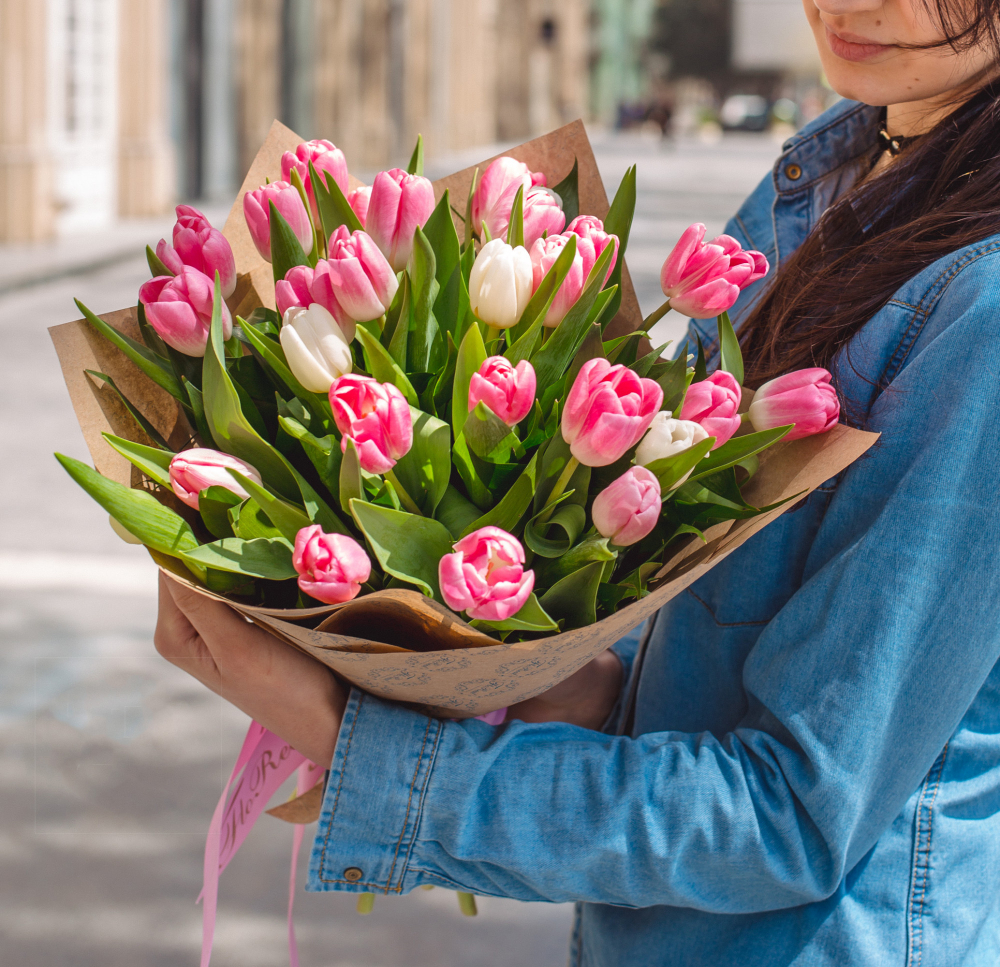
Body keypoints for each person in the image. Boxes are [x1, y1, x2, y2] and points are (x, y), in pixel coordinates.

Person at [153, 1, 1000, 963]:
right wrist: (558, 683)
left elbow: (793, 819)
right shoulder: (833, 173)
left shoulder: (984, 308)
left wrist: (365, 753)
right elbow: (729, 652)